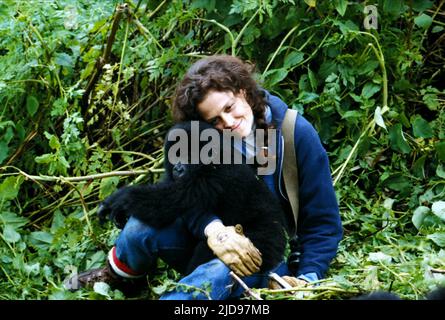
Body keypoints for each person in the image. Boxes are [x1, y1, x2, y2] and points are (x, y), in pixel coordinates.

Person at [65, 55, 343, 299]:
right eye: (215, 121)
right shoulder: (196, 139)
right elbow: (184, 196)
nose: (229, 123)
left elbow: (323, 222)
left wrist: (308, 279)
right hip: (207, 237)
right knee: (140, 226)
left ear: (244, 90)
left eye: (230, 107)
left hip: (263, 251)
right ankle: (119, 278)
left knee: (215, 276)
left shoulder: (296, 135)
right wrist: (214, 229)